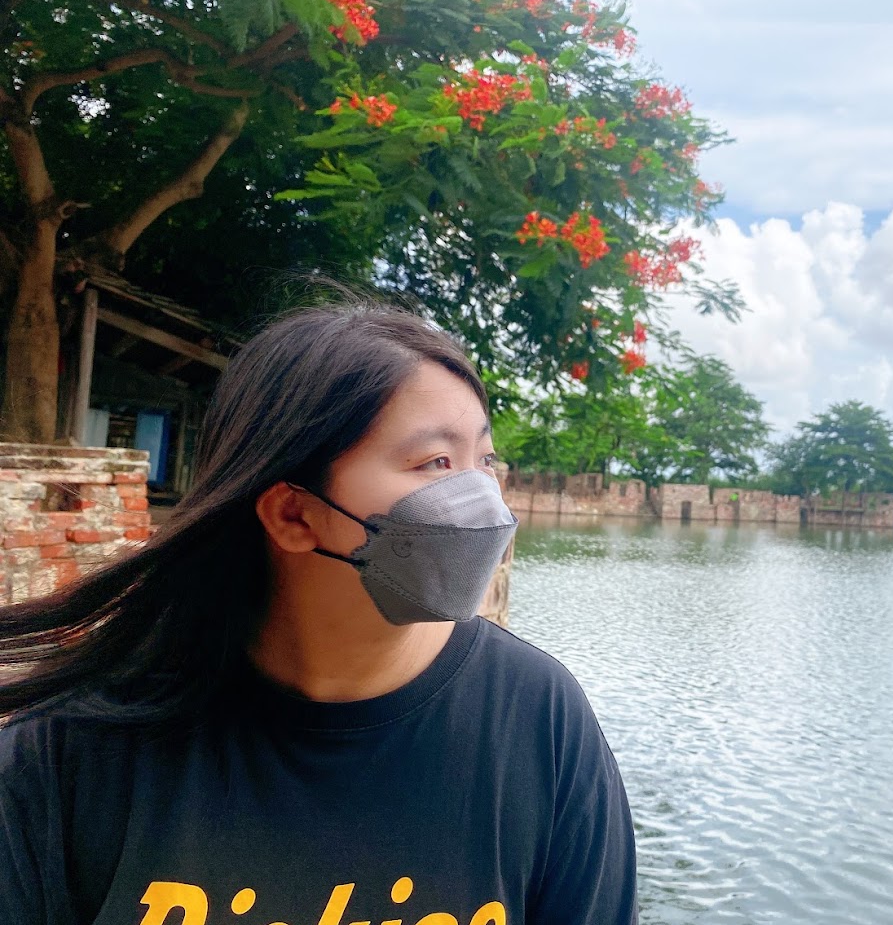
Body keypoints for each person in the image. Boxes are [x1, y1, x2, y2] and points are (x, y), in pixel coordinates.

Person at [0, 300, 638, 925]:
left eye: (484, 460)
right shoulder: (74, 749)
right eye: (436, 462)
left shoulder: (539, 721)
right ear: (294, 515)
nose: (482, 500)